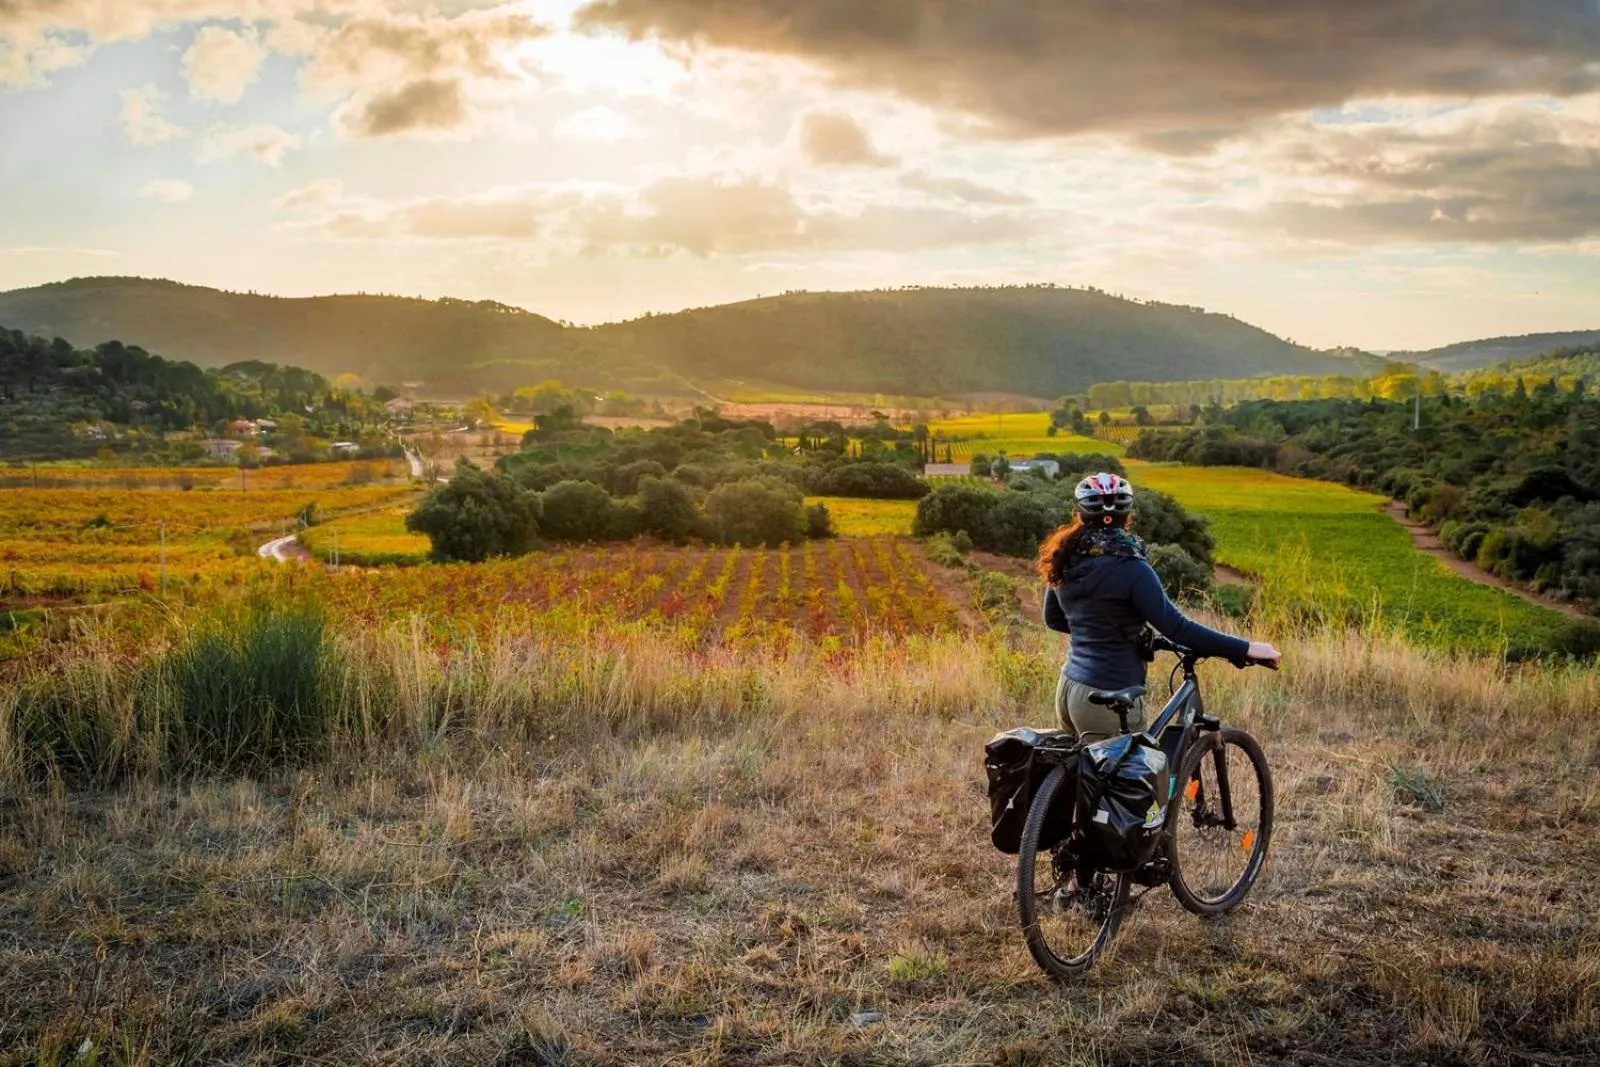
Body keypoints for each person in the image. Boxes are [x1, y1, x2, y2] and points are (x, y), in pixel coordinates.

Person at [1038, 472, 1281, 742]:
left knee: (1083, 778)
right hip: (1108, 697)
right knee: (1134, 781)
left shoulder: (1065, 555)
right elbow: (1178, 628)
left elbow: (1053, 619)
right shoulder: (1132, 567)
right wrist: (1245, 648)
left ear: (1080, 514)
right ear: (1127, 516)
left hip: (1071, 688)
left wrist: (1098, 633)